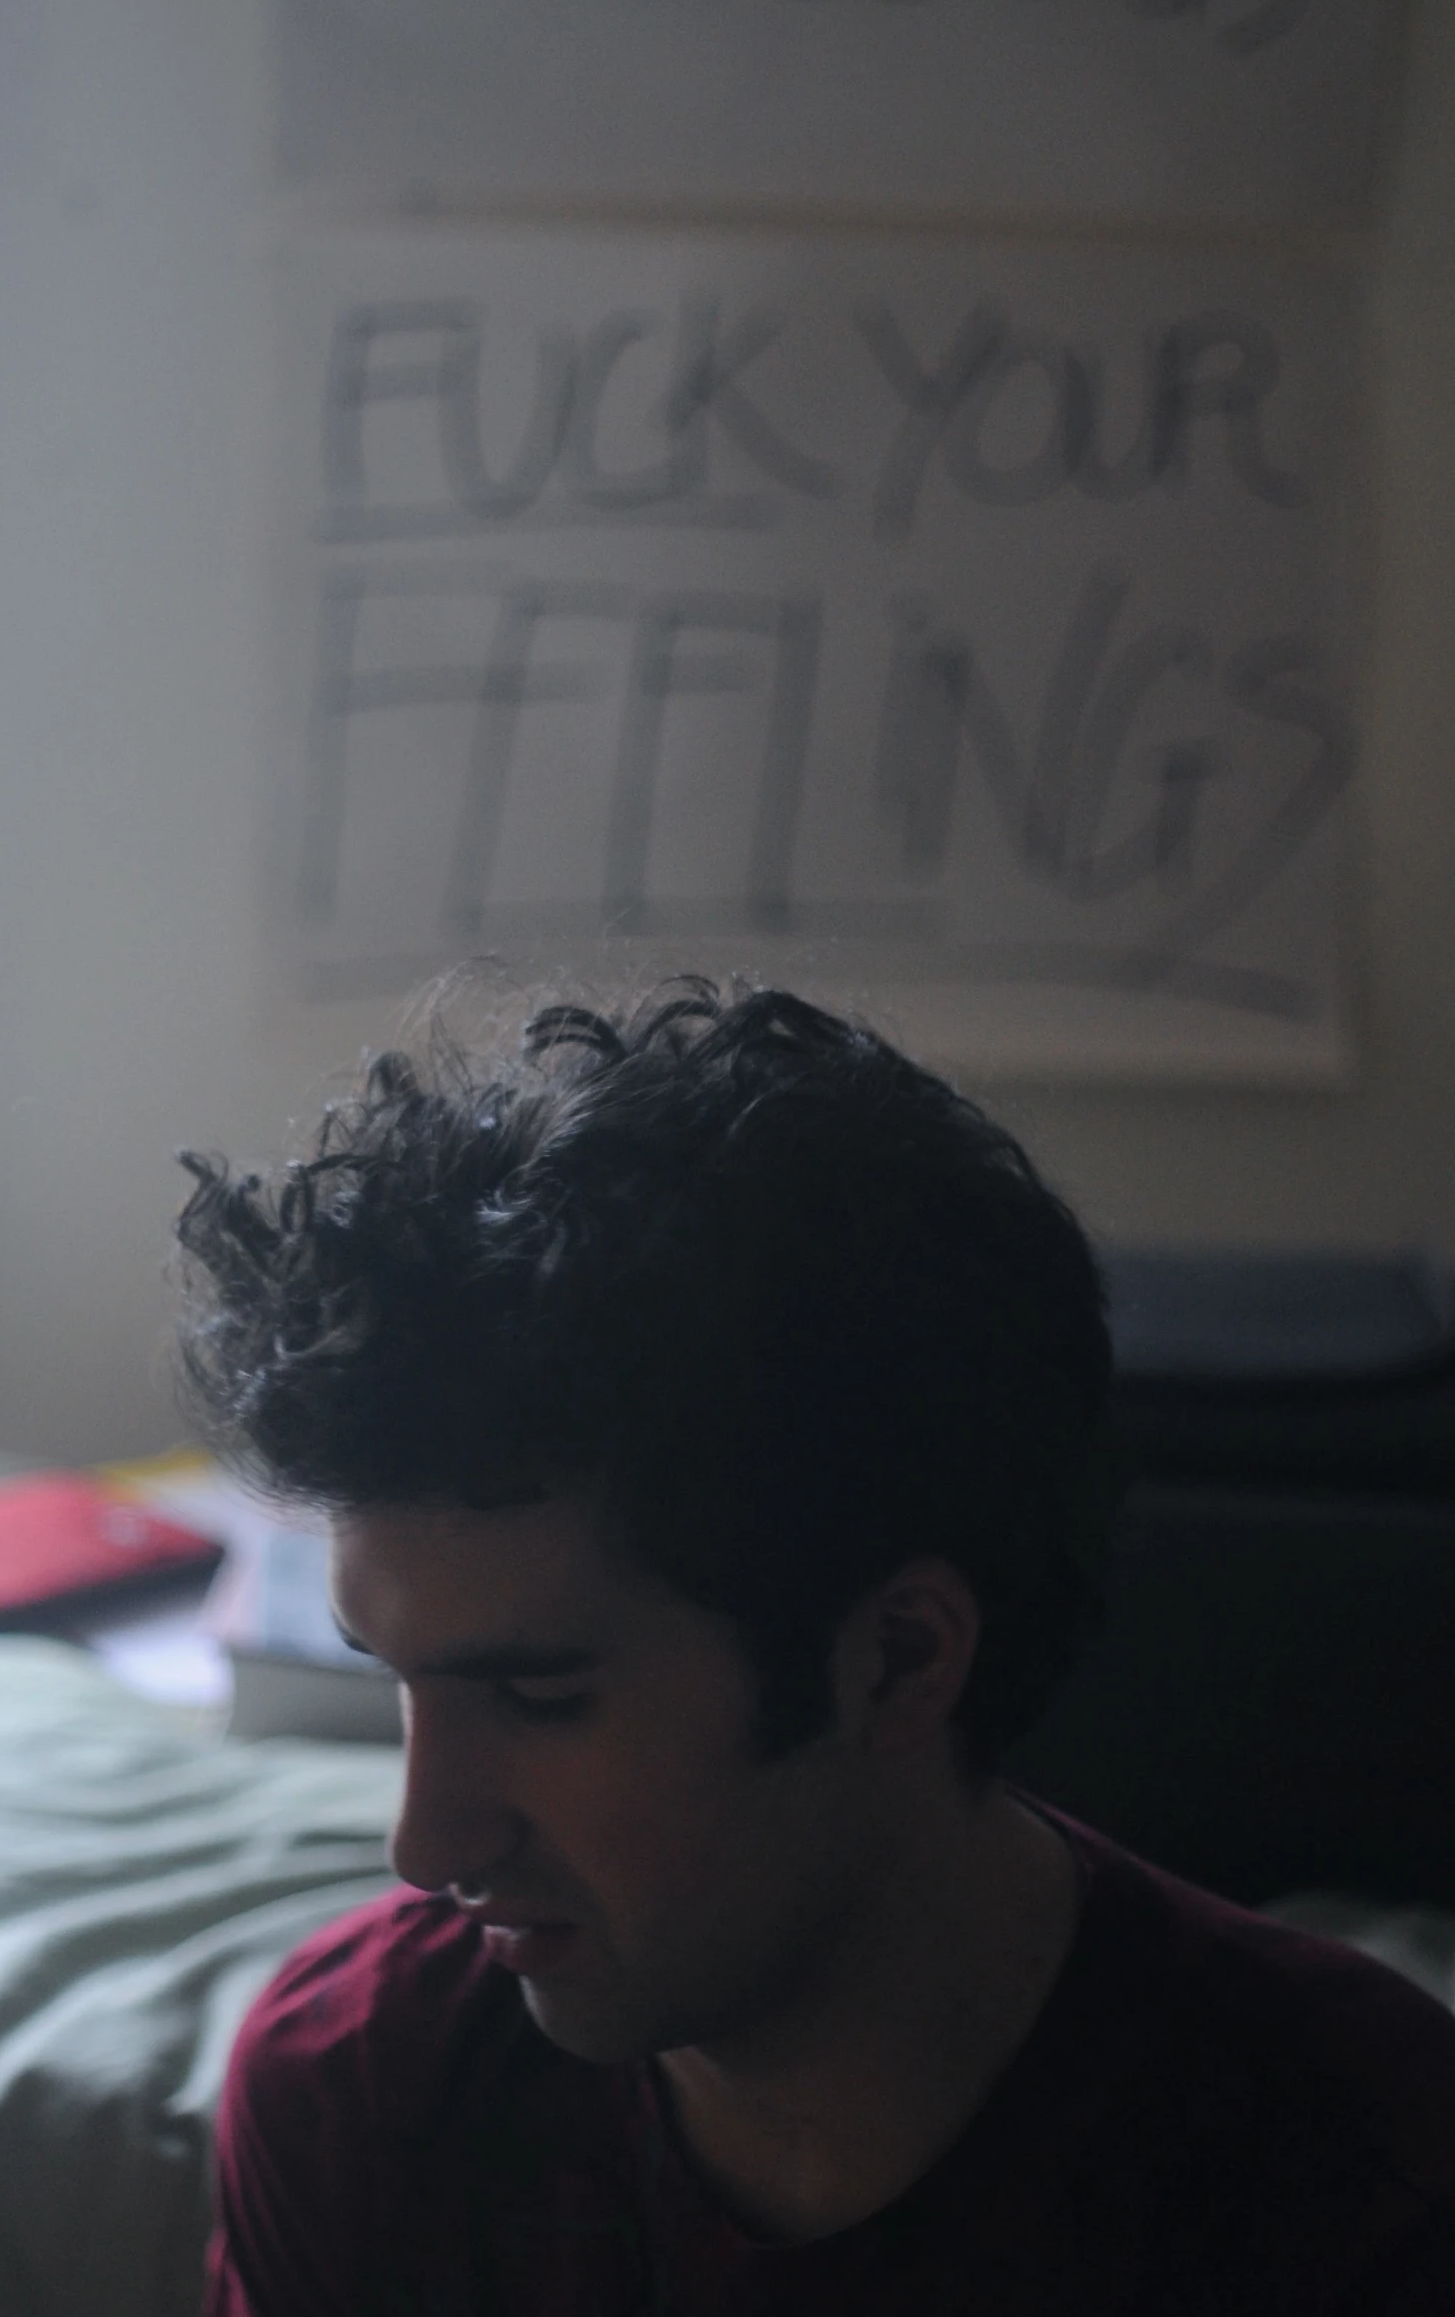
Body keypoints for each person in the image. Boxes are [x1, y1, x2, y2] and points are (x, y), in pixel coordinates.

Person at [176, 979, 1455, 2316]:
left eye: (541, 1695)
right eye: (396, 1679)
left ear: (901, 1658)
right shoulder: (357, 2091)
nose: (424, 1843)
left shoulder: (1355, 2182)